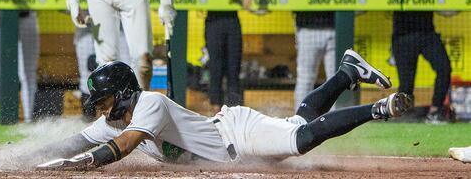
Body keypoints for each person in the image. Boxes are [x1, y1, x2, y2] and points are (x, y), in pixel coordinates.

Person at [35, 58, 408, 170]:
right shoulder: (114, 119)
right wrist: (32, 155)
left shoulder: (148, 103)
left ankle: (377, 109)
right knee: (297, 123)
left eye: (103, 100)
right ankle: (347, 72)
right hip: (229, 144)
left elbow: (125, 145)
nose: (99, 109)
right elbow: (78, 139)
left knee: (301, 139)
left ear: (121, 94)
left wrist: (82, 164)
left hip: (236, 133)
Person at [190, 0, 263, 112]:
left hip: (232, 21)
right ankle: (215, 107)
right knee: (215, 65)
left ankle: (235, 107)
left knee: (234, 65)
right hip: (213, 21)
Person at [387, 0, 452, 124]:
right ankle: (405, 116)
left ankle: (435, 111)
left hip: (427, 31)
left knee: (444, 68)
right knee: (406, 83)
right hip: (403, 34)